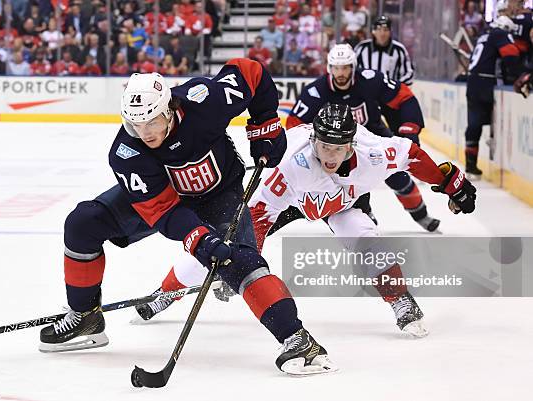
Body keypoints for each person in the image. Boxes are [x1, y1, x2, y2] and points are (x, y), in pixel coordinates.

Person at [38, 58, 337, 376]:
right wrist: (200, 238)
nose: (144, 132)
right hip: (166, 199)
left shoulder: (205, 99)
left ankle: (298, 341)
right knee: (83, 222)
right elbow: (163, 211)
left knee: (241, 262)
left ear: (168, 109)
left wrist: (265, 126)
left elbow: (251, 71)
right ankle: (85, 315)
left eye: (151, 122)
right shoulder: (128, 152)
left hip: (219, 195)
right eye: (134, 124)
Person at [146, 104, 478, 338]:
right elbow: (258, 216)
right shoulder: (293, 161)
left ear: (352, 145)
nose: (329, 155)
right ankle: (166, 292)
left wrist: (450, 183)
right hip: (291, 201)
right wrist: (239, 266)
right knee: (220, 244)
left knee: (366, 238)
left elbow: (412, 155)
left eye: (338, 148)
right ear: (313, 139)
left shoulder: (374, 153)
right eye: (323, 146)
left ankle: (401, 299)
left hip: (343, 202)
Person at [286, 44, 440, 232]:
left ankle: (420, 214)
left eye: (345, 68)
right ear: (329, 68)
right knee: (346, 182)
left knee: (398, 176)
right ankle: (363, 215)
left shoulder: (370, 80)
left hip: (375, 137)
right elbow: (294, 124)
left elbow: (404, 97)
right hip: (340, 146)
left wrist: (410, 129)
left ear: (354, 67)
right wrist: (311, 149)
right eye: (336, 68)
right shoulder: (316, 91)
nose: (340, 73)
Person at [464, 15, 528, 178]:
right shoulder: (499, 33)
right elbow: (510, 56)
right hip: (486, 82)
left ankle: (471, 166)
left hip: (472, 81)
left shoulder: (483, 36)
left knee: (474, 124)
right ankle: (492, 142)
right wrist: (522, 75)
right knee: (495, 120)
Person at [355, 16, 415, 135]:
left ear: (390, 31)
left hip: (390, 97)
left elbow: (409, 73)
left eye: (386, 30)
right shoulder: (362, 49)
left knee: (397, 131)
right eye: (379, 29)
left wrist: (395, 87)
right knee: (365, 132)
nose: (382, 33)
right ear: (373, 31)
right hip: (368, 98)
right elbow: (353, 71)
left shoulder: (399, 50)